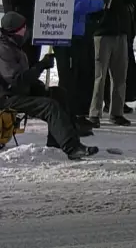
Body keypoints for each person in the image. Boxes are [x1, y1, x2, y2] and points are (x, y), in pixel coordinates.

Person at [0, 12, 99, 160]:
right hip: (8, 97)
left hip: (20, 92)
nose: (26, 31)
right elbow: (16, 80)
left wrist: (39, 84)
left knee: (59, 93)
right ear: (13, 31)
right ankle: (72, 148)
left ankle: (57, 143)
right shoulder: (4, 50)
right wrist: (40, 66)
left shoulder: (13, 46)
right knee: (50, 106)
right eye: (22, 28)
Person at [52, 0, 108, 134]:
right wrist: (103, 0)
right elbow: (80, 4)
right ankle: (70, 119)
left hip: (68, 34)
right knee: (71, 79)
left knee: (75, 77)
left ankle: (75, 116)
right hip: (70, 36)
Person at [86, 0, 136, 127]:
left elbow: (132, 0)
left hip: (120, 32)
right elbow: (91, 1)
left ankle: (117, 111)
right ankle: (95, 113)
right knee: (99, 76)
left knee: (120, 75)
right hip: (101, 33)